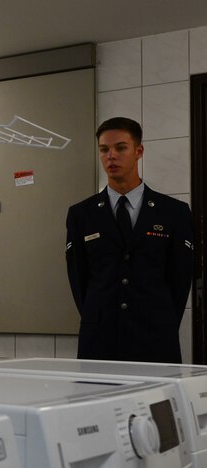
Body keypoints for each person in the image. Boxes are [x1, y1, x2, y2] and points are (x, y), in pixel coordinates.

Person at [65, 117, 193, 363]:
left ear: (138, 151)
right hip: (100, 340)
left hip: (155, 339)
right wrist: (98, 316)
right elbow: (78, 279)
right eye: (104, 150)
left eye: (120, 148)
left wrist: (161, 320)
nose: (111, 156)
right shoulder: (82, 214)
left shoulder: (173, 212)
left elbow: (180, 280)